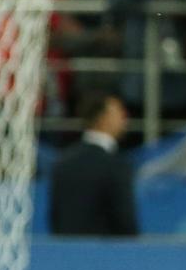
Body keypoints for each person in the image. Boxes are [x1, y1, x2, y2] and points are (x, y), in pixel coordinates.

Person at [48, 92, 138, 237]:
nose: (125, 118)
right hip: (107, 256)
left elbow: (56, 219)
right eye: (119, 112)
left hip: (67, 254)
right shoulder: (116, 166)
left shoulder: (62, 163)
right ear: (102, 119)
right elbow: (125, 223)